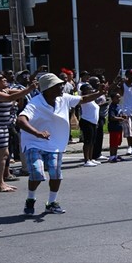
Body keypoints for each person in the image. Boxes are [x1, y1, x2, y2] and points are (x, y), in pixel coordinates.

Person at [16, 73, 108, 215]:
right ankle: (30, 199)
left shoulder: (64, 98)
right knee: (37, 172)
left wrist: (99, 93)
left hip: (55, 143)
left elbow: (83, 99)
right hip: (34, 142)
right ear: (48, 88)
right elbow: (21, 120)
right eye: (57, 85)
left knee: (56, 174)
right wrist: (37, 133)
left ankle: (52, 203)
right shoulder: (36, 103)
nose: (61, 87)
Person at [0, 73, 36, 192]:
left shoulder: (5, 90)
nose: (5, 80)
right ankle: (0, 184)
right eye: (1, 79)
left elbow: (15, 92)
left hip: (1, 125)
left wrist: (31, 86)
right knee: (3, 154)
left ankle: (0, 182)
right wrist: (29, 89)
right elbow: (10, 98)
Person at [117, 69, 132, 155]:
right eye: (130, 74)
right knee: (128, 130)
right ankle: (129, 147)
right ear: (126, 75)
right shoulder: (123, 85)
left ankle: (131, 146)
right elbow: (119, 93)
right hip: (125, 110)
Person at [78, 84, 101, 167]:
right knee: (87, 142)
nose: (91, 90)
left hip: (93, 122)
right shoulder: (85, 98)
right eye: (89, 89)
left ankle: (91, 158)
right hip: (86, 121)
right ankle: (86, 160)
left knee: (92, 142)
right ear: (84, 90)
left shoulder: (92, 100)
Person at [107, 92, 126, 162]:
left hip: (119, 126)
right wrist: (120, 118)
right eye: (117, 97)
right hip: (113, 127)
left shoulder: (118, 106)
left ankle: (115, 154)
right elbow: (112, 117)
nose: (119, 99)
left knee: (117, 142)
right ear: (112, 99)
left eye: (119, 97)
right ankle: (112, 156)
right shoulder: (112, 107)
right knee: (113, 142)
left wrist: (123, 116)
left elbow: (120, 114)